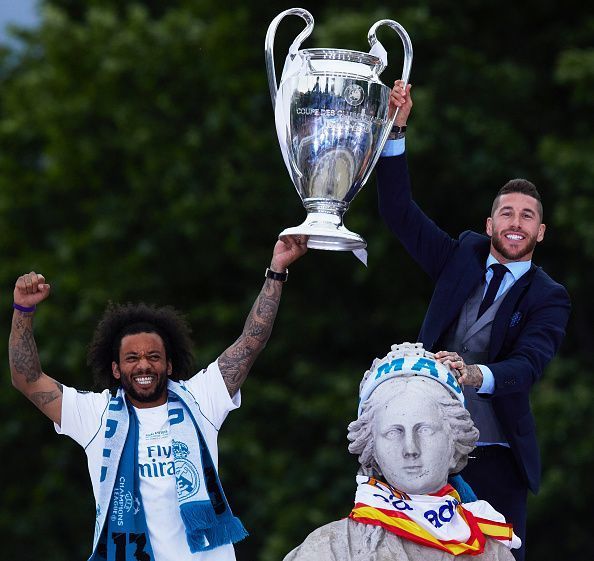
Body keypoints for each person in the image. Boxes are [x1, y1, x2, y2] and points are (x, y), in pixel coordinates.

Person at [9, 235, 308, 561]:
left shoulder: (199, 399)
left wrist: (276, 271)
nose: (143, 365)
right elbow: (27, 379)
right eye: (132, 358)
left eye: (153, 356)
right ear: (116, 369)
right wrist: (23, 309)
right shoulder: (95, 415)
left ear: (168, 363)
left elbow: (250, 343)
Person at [375, 81, 571, 561]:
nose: (516, 222)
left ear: (539, 233)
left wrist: (474, 373)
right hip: (424, 447)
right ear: (489, 225)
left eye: (527, 216)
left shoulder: (550, 297)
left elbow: (527, 366)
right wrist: (397, 128)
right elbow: (399, 212)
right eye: (506, 212)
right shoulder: (462, 254)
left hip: (498, 456)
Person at [284, 342, 519, 561]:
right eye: (393, 432)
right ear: (371, 447)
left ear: (454, 440)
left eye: (425, 429)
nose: (410, 449)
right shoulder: (328, 549)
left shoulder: (492, 551)